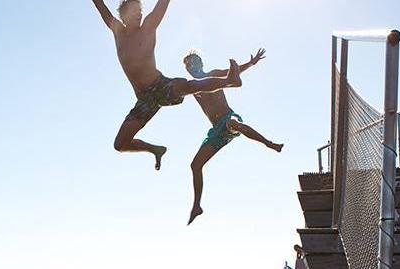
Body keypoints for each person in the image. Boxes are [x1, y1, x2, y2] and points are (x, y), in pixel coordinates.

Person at [92, 0, 242, 171]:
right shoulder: (118, 30)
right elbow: (101, 7)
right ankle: (155, 149)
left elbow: (163, 3)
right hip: (145, 100)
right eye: (135, 12)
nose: (140, 14)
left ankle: (230, 81)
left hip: (160, 85)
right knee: (120, 144)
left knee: (189, 86)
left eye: (140, 11)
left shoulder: (148, 26)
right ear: (124, 16)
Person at [183, 50, 281, 225]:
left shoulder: (212, 75)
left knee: (234, 124)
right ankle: (197, 206)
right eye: (190, 65)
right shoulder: (191, 87)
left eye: (196, 62)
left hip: (228, 118)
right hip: (215, 131)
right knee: (195, 165)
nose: (193, 67)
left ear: (202, 64)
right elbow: (174, 91)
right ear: (188, 70)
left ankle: (269, 143)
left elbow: (232, 74)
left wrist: (250, 64)